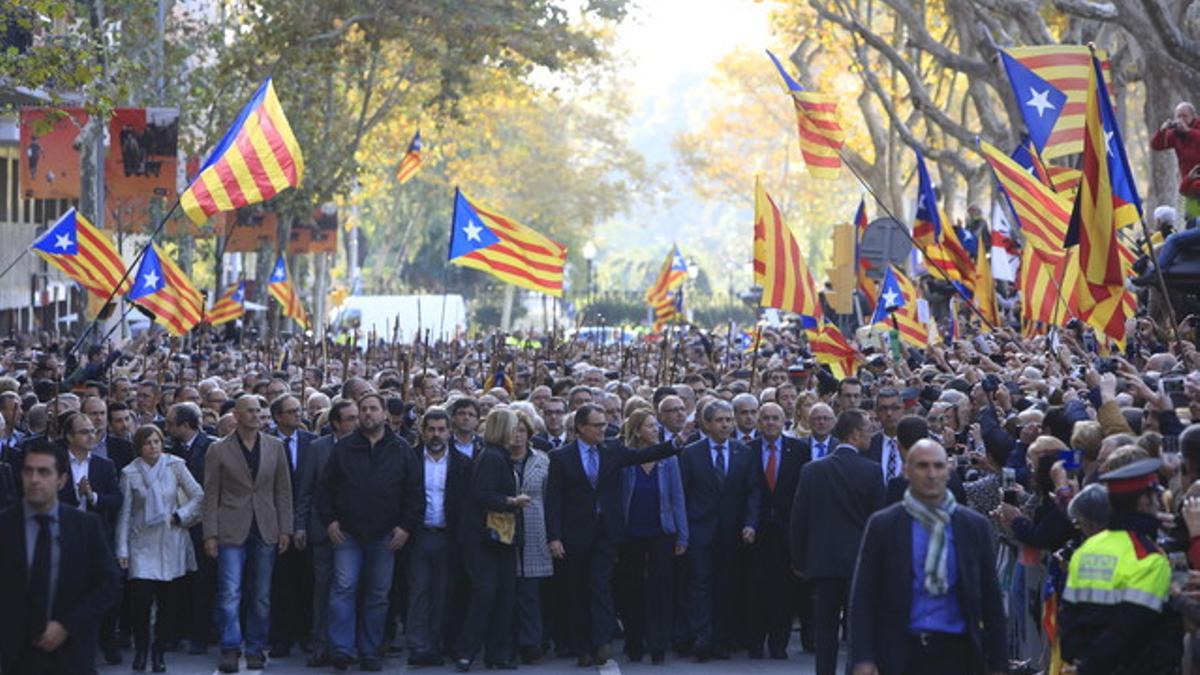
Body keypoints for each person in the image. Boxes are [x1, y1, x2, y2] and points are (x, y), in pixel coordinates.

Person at [847, 440, 1007, 675]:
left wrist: (998, 664)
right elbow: (864, 595)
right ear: (906, 471)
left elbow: (991, 598)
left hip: (959, 653)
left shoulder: (973, 526)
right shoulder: (884, 525)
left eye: (938, 466)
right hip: (901, 651)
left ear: (948, 470)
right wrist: (863, 658)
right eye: (922, 466)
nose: (931, 474)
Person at [545, 403, 685, 666]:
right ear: (581, 428)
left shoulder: (612, 450)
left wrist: (675, 443)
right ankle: (582, 647)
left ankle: (601, 642)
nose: (603, 429)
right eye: (597, 425)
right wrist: (554, 537)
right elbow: (553, 500)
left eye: (604, 424)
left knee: (600, 588)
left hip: (607, 533)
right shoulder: (561, 457)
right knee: (577, 591)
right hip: (574, 535)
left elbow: (642, 455)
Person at [318, 393, 421, 671]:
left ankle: (369, 650)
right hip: (347, 533)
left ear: (385, 414)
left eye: (373, 409)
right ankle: (341, 649)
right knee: (343, 590)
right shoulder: (344, 448)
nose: (367, 414)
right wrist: (329, 521)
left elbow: (414, 493)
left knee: (378, 595)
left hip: (385, 534)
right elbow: (326, 488)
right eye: (363, 409)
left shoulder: (401, 449)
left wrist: (405, 527)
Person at [0, 442, 120, 675]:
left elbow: (109, 584)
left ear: (61, 480)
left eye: (44, 472)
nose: (34, 479)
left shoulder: (85, 527)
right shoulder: (5, 527)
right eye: (28, 471)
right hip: (17, 654)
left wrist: (67, 625)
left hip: (73, 651)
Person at [1060, 457, 1181, 674]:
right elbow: (1130, 628)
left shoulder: (1088, 548)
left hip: (1085, 663)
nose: (1158, 502)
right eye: (1154, 496)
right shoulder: (1149, 557)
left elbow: (1068, 614)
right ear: (1143, 502)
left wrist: (1078, 662)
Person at [790, 409, 886, 675]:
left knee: (825, 630)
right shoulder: (871, 471)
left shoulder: (812, 470)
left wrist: (799, 560)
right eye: (867, 430)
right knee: (857, 630)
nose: (871, 435)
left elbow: (799, 520)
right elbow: (877, 521)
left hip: (823, 563)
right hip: (859, 562)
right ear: (855, 435)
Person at [202, 395, 293, 673]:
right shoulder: (218, 449)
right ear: (237, 415)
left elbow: (283, 490)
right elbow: (211, 494)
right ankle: (230, 647)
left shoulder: (275, 447)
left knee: (261, 594)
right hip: (231, 526)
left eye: (259, 410)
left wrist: (285, 528)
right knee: (230, 592)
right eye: (250, 411)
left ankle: (255, 648)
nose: (256, 416)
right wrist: (210, 534)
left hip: (266, 526)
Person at [677, 400, 761, 661]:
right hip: (700, 530)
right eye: (719, 420)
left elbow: (753, 492)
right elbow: (682, 493)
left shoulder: (743, 452)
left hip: (731, 531)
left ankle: (721, 640)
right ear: (706, 423)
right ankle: (702, 639)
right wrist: (683, 531)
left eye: (728, 420)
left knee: (725, 586)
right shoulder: (691, 453)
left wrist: (750, 523)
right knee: (700, 586)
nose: (725, 424)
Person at [115, 424, 204, 673]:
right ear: (139, 447)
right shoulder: (129, 472)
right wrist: (122, 549)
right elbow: (125, 514)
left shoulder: (175, 465)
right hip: (141, 542)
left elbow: (198, 495)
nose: (153, 446)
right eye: (147, 442)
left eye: (156, 441)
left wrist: (180, 516)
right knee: (140, 601)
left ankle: (159, 651)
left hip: (170, 540)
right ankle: (142, 648)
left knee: (167, 603)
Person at [453, 409, 532, 672]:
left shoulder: (499, 456)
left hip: (500, 537)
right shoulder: (492, 457)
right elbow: (484, 495)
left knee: (503, 595)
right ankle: (467, 651)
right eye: (513, 428)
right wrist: (513, 501)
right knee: (485, 594)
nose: (517, 434)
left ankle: (498, 654)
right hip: (483, 538)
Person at [617, 408, 688, 664]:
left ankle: (658, 644)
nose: (655, 430)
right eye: (649, 426)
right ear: (636, 431)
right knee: (631, 589)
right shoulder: (626, 459)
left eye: (656, 426)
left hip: (661, 532)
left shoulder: (669, 459)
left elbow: (677, 498)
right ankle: (635, 643)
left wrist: (682, 535)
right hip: (631, 533)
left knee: (660, 590)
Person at [294, 399, 358, 668]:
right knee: (323, 589)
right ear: (336, 423)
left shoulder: (363, 447)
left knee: (349, 590)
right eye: (350, 419)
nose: (356, 423)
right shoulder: (318, 448)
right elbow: (306, 490)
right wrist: (300, 525)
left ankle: (345, 646)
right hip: (322, 531)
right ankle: (321, 644)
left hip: (355, 532)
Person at [406, 407, 471, 667]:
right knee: (418, 591)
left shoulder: (463, 463)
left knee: (443, 593)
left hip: (449, 535)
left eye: (441, 430)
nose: (436, 435)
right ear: (422, 432)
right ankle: (419, 646)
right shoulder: (410, 459)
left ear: (449, 432)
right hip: (418, 534)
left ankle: (438, 643)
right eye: (431, 429)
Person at [58, 410, 124, 665]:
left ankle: (108, 640)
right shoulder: (57, 463)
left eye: (93, 431)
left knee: (106, 589)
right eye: (84, 431)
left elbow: (116, 499)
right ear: (69, 436)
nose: (91, 436)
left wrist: (93, 496)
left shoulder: (103, 465)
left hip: (96, 537)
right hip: (63, 536)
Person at [746, 402, 809, 659]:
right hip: (756, 532)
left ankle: (778, 644)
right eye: (765, 418)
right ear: (759, 422)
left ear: (784, 421)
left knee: (784, 590)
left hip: (787, 531)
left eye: (775, 418)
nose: (770, 422)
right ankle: (754, 642)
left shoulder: (799, 450)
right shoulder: (747, 451)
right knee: (755, 588)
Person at [163, 401, 216, 655]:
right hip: (175, 525)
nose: (166, 428)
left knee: (201, 583)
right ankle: (175, 632)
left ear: (185, 425)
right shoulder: (168, 449)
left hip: (202, 525)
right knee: (176, 582)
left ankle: (200, 635)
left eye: (171, 424)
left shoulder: (212, 447)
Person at [267, 394, 316, 659]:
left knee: (306, 581)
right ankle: (280, 637)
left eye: (299, 410)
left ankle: (305, 632)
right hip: (275, 523)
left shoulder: (312, 442)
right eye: (291, 411)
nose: (298, 415)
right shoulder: (267, 442)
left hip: (306, 521)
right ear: (278, 416)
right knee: (280, 584)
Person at [510, 411, 553, 664]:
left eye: (522, 430)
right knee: (509, 591)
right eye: (513, 430)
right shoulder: (497, 460)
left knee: (531, 591)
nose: (517, 435)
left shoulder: (543, 460)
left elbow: (551, 497)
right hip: (506, 529)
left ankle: (532, 641)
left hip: (537, 528)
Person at [1150, 102, 1200, 198]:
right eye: (1178, 116)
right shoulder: (1176, 133)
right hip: (1189, 181)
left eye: (1184, 116)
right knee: (1190, 206)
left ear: (1194, 116)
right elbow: (1156, 146)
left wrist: (1189, 131)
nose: (1181, 119)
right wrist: (1162, 131)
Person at [866, 387, 905, 484]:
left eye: (895, 408)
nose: (889, 413)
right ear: (876, 411)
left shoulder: (916, 442)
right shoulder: (868, 444)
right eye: (883, 409)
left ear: (903, 408)